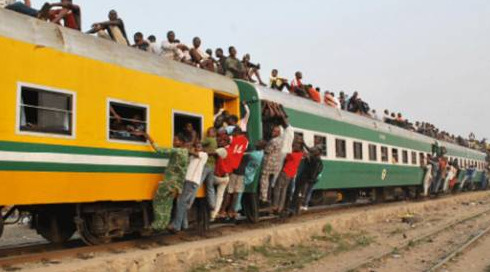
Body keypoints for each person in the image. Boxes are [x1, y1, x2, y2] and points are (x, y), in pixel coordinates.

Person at [141, 133, 189, 231]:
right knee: (167, 204)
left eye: (175, 140)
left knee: (158, 201)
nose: (173, 142)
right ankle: (163, 224)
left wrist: (149, 138)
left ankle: (157, 225)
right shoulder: (185, 153)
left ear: (181, 142)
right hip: (175, 185)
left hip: (168, 183)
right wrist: (179, 187)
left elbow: (159, 150)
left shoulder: (177, 151)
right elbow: (183, 172)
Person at [168, 142, 208, 233]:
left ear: (202, 149)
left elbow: (193, 153)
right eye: (196, 146)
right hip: (188, 181)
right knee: (182, 203)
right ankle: (184, 224)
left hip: (192, 181)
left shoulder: (204, 155)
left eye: (199, 146)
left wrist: (185, 148)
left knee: (181, 202)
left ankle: (176, 225)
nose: (197, 148)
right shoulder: (192, 157)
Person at [234, 141, 266, 212]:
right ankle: (237, 207)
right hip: (250, 175)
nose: (256, 144)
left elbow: (244, 155)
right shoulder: (261, 153)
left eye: (259, 144)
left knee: (239, 191)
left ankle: (236, 208)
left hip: (247, 174)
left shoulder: (255, 155)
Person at [272, 142, 303, 214]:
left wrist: (291, 149)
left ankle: (275, 206)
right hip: (291, 174)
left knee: (277, 188)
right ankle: (280, 208)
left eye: (295, 146)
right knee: (284, 190)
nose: (293, 147)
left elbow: (286, 157)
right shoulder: (300, 155)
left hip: (285, 172)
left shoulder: (292, 155)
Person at [292, 145, 324, 212]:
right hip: (313, 179)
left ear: (318, 152)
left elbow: (309, 152)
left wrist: (304, 145)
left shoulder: (314, 159)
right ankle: (304, 205)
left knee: (303, 192)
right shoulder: (319, 161)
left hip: (308, 179)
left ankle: (299, 206)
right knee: (308, 192)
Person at [259, 125, 283, 202]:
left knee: (264, 180)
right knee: (271, 181)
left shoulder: (273, 141)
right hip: (276, 164)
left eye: (274, 131)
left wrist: (262, 146)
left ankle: (263, 197)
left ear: (278, 133)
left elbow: (267, 150)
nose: (272, 132)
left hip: (269, 163)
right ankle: (269, 197)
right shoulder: (281, 141)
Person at [201, 128, 218, 210]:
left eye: (209, 132)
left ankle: (189, 200)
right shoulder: (215, 142)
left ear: (214, 133)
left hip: (206, 165)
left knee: (197, 182)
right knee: (210, 186)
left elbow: (200, 143)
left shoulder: (209, 139)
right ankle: (212, 204)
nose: (207, 133)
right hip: (212, 166)